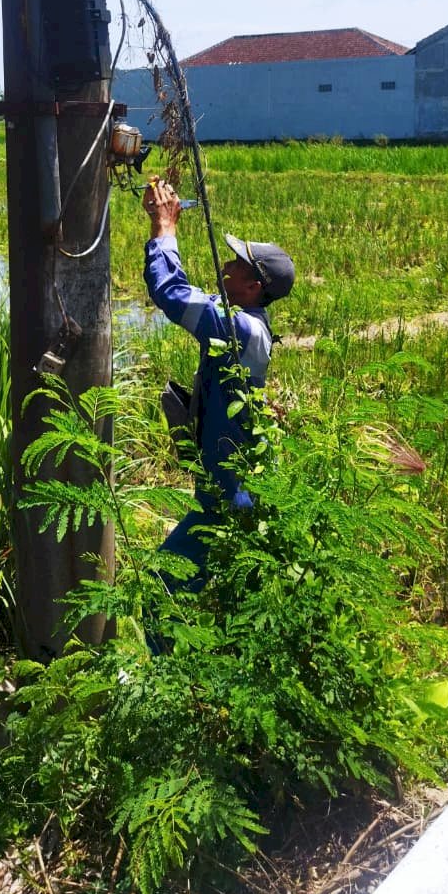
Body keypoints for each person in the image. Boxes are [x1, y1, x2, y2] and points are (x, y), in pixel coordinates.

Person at [142, 177, 295, 589]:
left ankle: (171, 654)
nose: (224, 267)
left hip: (232, 500)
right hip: (228, 494)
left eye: (236, 265)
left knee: (161, 586)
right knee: (234, 597)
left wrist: (165, 229)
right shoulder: (249, 326)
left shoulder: (238, 329)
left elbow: (171, 292)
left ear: (253, 287)